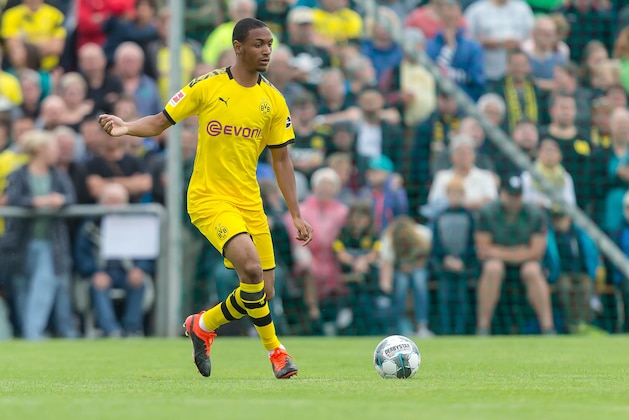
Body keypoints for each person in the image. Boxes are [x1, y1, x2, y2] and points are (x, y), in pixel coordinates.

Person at [98, 18, 313, 379]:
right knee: (251, 270)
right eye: (258, 44)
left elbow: (281, 159)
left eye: (270, 45)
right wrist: (126, 127)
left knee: (264, 290)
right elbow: (161, 120)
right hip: (208, 198)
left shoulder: (273, 100)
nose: (266, 51)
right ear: (238, 46)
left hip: (250, 202)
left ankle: (203, 324)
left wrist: (296, 214)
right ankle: (277, 353)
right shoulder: (208, 85)